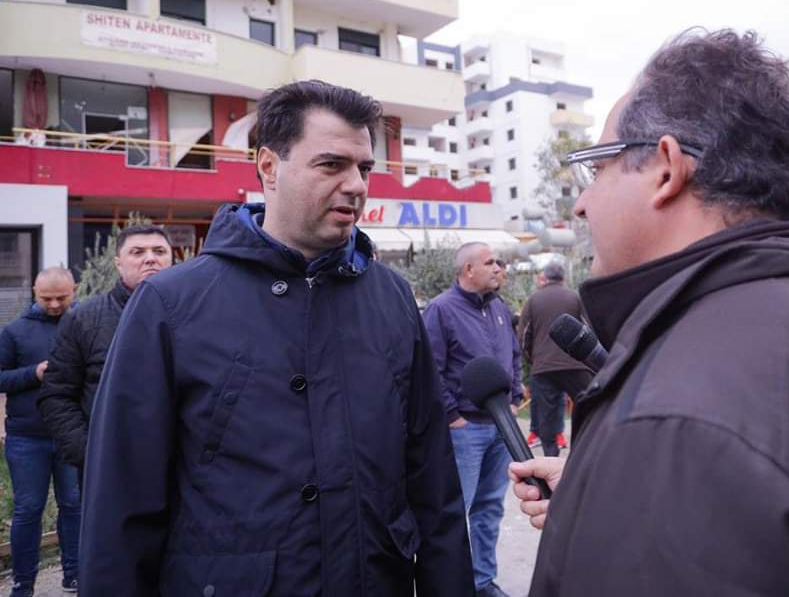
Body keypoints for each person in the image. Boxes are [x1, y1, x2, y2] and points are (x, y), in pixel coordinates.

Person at [509, 29, 789, 596]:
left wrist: (639, 474)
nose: (581, 203)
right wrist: (599, 492)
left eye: (597, 168)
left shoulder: (672, 427)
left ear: (666, 169)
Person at [77, 81, 472, 595]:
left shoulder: (392, 296)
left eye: (364, 168)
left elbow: (433, 480)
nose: (356, 185)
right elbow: (121, 505)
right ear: (268, 166)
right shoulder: (170, 304)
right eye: (331, 164)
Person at [424, 242, 523, 597]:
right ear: (468, 269)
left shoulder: (498, 307)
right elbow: (429, 367)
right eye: (491, 262)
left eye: (499, 262)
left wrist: (515, 397)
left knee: (490, 508)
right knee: (456, 511)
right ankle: (450, 586)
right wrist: (453, 415)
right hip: (464, 429)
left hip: (501, 426)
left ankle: (482, 582)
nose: (499, 268)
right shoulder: (441, 309)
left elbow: (514, 355)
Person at [38, 224, 174, 473]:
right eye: (137, 252)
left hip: (179, 469)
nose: (150, 259)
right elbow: (57, 394)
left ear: (172, 260)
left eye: (159, 251)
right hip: (107, 469)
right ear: (118, 263)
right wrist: (88, 453)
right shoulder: (84, 319)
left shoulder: (195, 316)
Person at [0, 267, 80, 596]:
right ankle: (23, 582)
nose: (55, 304)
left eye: (62, 297)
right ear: (35, 291)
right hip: (26, 437)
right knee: (28, 510)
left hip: (72, 433)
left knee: (74, 505)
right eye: (47, 298)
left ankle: (75, 574)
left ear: (75, 291)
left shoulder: (83, 325)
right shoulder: (14, 331)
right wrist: (34, 373)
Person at [518, 263, 587, 457]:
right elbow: (588, 329)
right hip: (575, 365)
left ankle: (551, 456)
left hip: (544, 367)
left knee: (545, 416)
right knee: (586, 408)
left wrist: (533, 359)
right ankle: (581, 454)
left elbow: (524, 336)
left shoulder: (534, 300)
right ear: (563, 278)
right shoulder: (575, 297)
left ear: (545, 278)